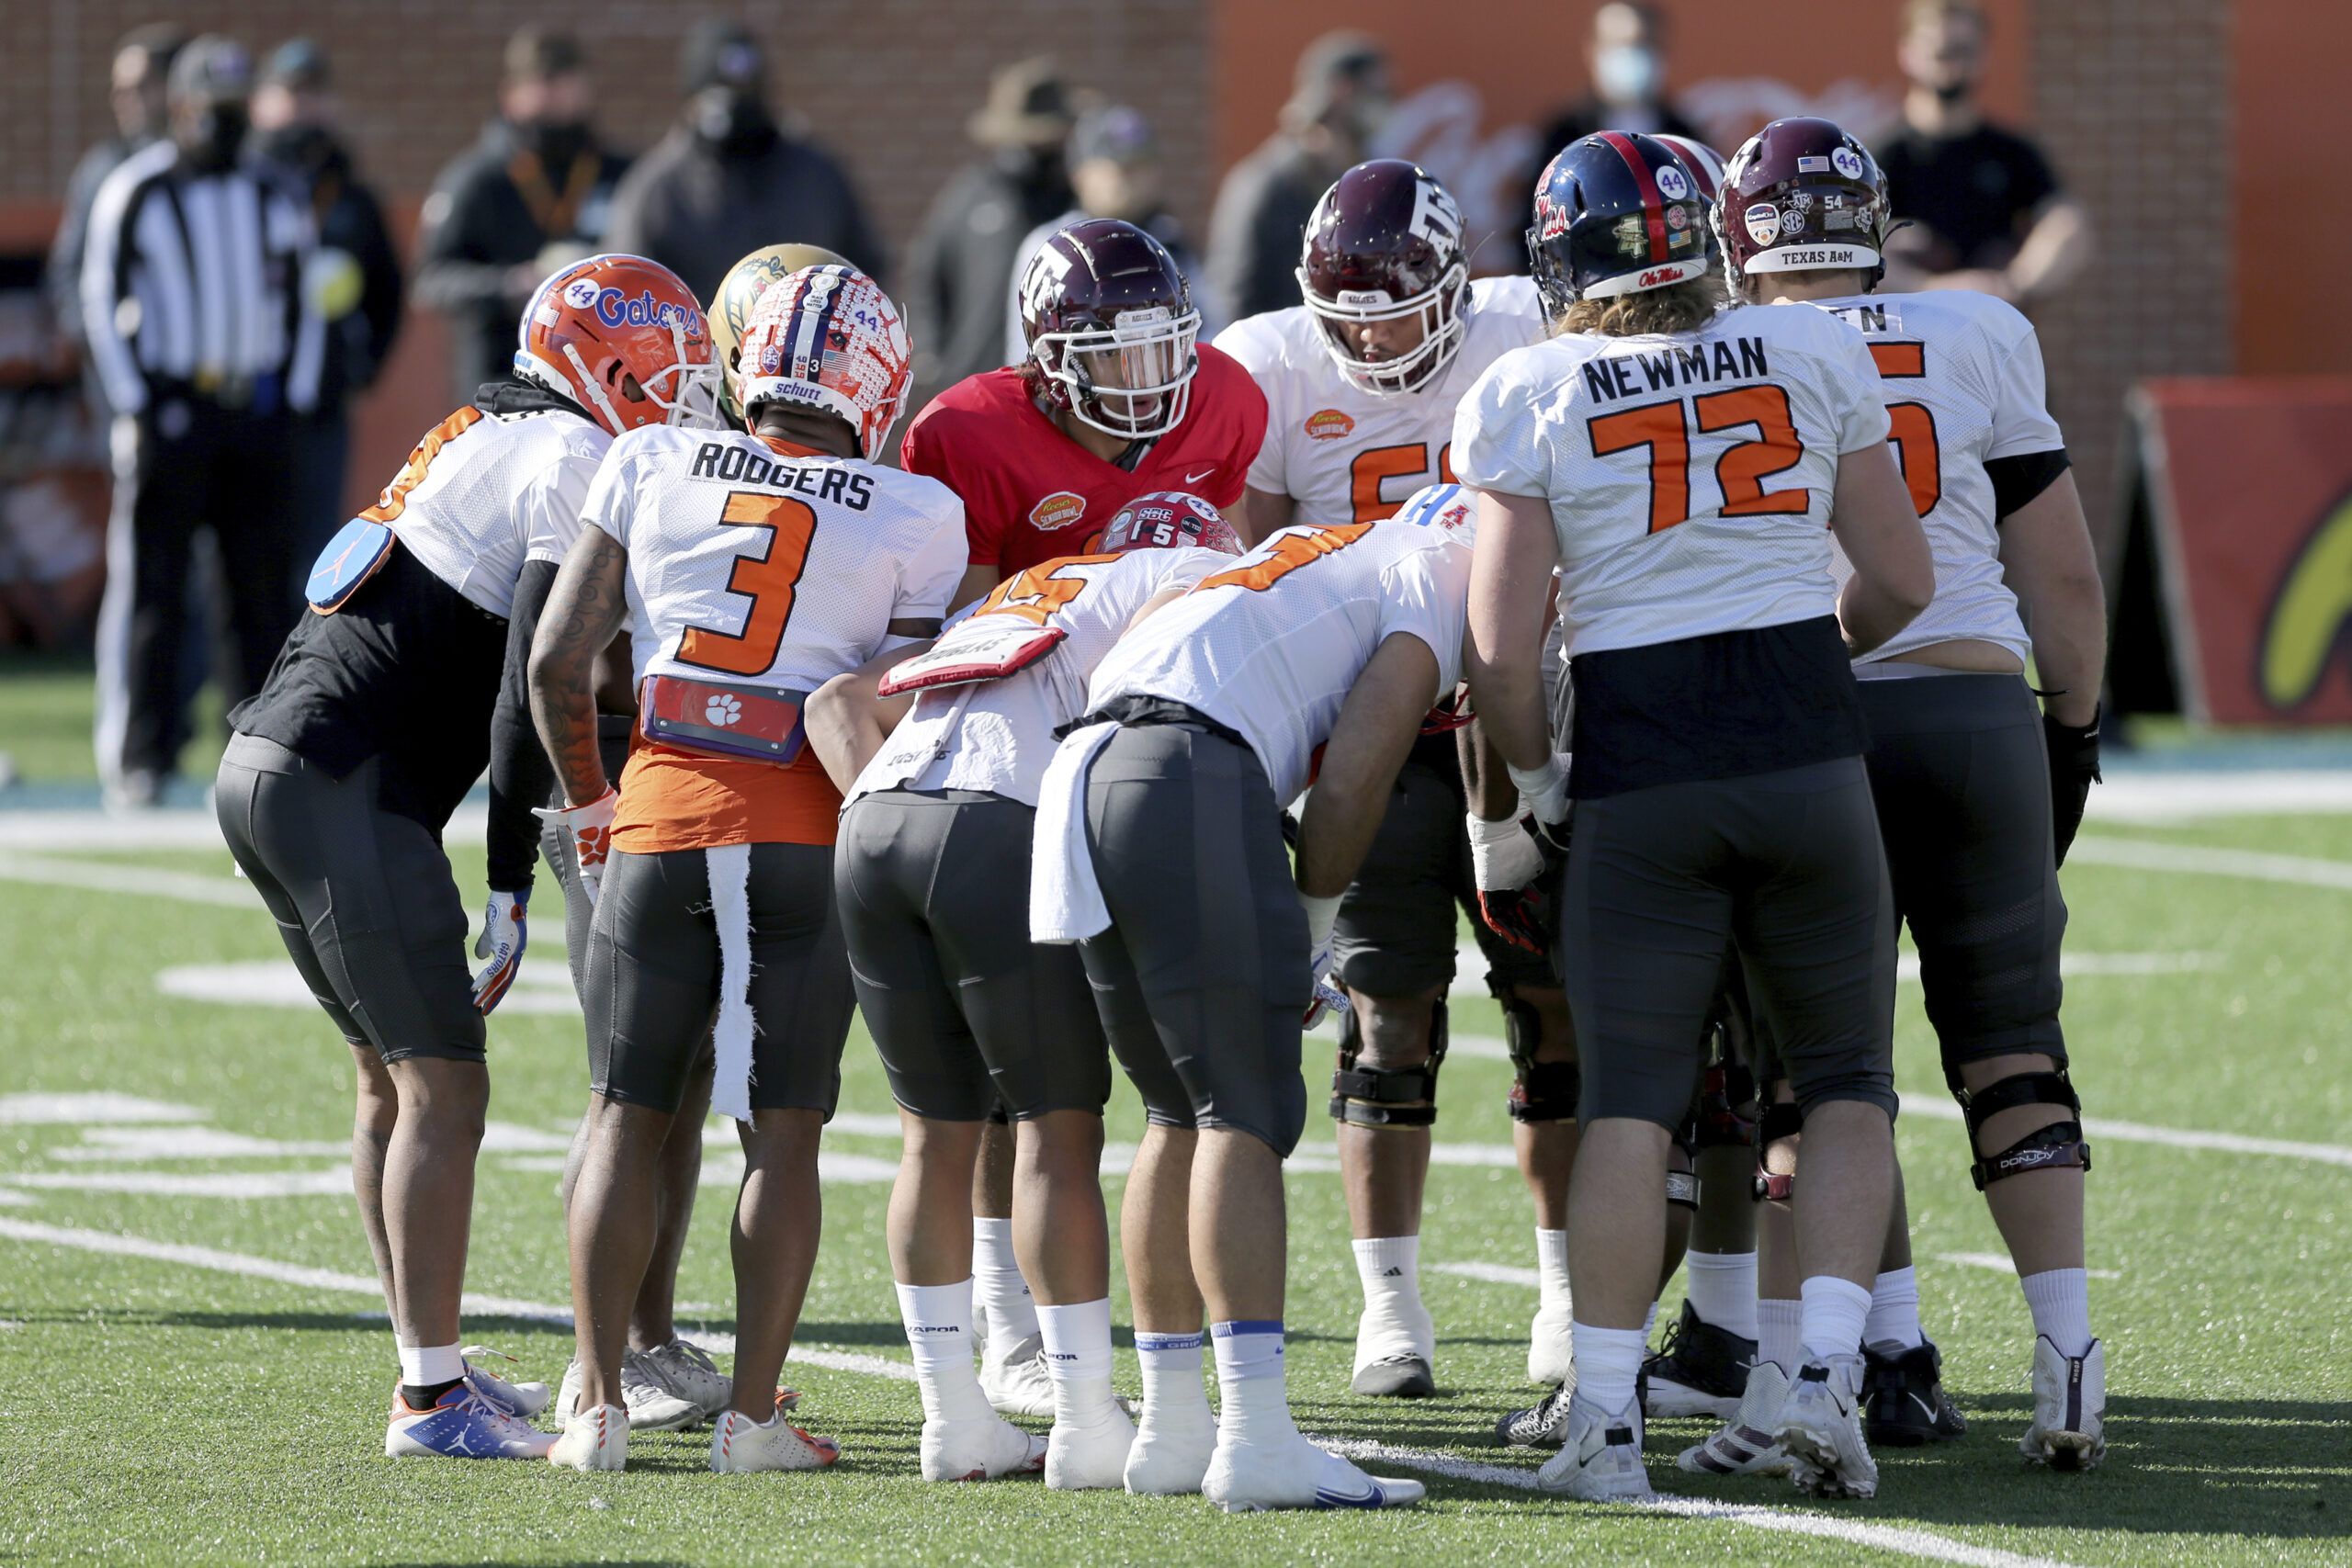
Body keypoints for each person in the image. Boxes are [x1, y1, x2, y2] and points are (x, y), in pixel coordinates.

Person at [1455, 130, 1933, 1501]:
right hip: (1807, 759)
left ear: (1563, 259)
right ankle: (1828, 1382)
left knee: (1631, 1107)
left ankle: (1604, 1420)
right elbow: (1898, 579)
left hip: (1644, 773)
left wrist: (1541, 780)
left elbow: (1498, 649)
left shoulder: (1532, 386)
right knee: (1844, 1079)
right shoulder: (1807, 349)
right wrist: (1797, 658)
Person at [211, 250, 717, 1462]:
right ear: (608, 364)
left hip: (265, 763)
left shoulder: (485, 421)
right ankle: (432, 1400)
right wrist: (505, 881)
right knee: (446, 1085)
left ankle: (426, 1364)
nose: (688, 394)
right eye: (671, 370)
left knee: (389, 1083)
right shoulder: (572, 453)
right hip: (344, 783)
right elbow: (523, 687)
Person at [1676, 116, 2107, 1476]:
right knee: (2013, 1050)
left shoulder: (1731, 351)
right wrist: (2073, 726)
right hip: (1980, 708)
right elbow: (2070, 581)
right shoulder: (1978, 329)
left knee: (1822, 1074)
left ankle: (1824, 1373)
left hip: (1817, 719)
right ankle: (2070, 1363)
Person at [528, 265, 965, 1474]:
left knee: (626, 1111)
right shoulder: (918, 513)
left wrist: (595, 804)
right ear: (875, 385)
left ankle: (600, 1404)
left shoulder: (652, 460)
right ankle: (753, 1415)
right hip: (804, 836)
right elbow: (900, 712)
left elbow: (561, 663)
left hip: (662, 817)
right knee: (783, 1133)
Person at [1030, 491, 1487, 1512]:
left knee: (1172, 1107)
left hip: (1088, 762)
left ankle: (1174, 1426)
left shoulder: (1320, 550)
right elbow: (1357, 771)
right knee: (1242, 1104)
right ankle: (1256, 1436)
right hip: (1186, 763)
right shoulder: (1443, 567)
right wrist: (1317, 921)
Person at [1210, 159, 1560, 1399]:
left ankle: (1565, 1297)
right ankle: (1390, 1305)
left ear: (1458, 287)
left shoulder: (1530, 321)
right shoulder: (1273, 360)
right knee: (1384, 1016)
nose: (1367, 337)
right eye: (1343, 313)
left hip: (1523, 715)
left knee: (1552, 1011)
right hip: (1370, 734)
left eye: (1396, 310)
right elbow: (1243, 557)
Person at [904, 220, 1267, 1409]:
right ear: (1050, 356)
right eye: (1116, 356)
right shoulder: (968, 434)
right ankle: (1014, 1318)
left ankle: (1137, 1325)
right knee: (1028, 1070)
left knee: (1162, 1063)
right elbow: (957, 634)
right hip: (1015, 760)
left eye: (1166, 347)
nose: (1151, 379)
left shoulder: (1226, 402)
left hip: (1150, 754)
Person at [815, 491, 1243, 1489]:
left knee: (935, 1133)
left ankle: (952, 1418)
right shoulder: (1179, 582)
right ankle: (1089, 1418)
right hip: (997, 821)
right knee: (1057, 1129)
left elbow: (838, 703)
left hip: (875, 817)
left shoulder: (1022, 592)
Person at [82, 36, 325, 808]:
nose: (218, 127)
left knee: (257, 592)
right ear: (177, 109)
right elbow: (98, 294)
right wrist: (138, 402)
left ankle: (258, 751)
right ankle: (141, 754)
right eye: (206, 111)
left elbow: (303, 299)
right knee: (154, 590)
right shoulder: (138, 188)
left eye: (231, 112)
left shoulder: (274, 192)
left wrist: (290, 397)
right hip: (172, 409)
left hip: (252, 411)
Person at [249, 38, 407, 604]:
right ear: (260, 104)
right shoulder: (242, 189)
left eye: (314, 94)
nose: (304, 108)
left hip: (322, 402)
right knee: (244, 548)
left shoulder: (351, 195)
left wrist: (361, 366)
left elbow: (389, 290)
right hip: (249, 400)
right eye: (291, 94)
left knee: (315, 544)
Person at [415, 29, 630, 405]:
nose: (554, 94)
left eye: (564, 80)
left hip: (604, 387)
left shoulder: (619, 173)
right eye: (541, 82)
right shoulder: (478, 179)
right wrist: (509, 285)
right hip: (501, 383)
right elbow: (430, 279)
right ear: (510, 93)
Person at [605, 20, 884, 306]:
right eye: (716, 99)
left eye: (744, 95)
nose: (732, 111)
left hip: (806, 347)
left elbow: (867, 272)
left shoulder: (817, 175)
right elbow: (628, 288)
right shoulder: (657, 188)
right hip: (696, 347)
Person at [1873, 0, 2091, 307]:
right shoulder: (1877, 158)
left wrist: (2013, 283)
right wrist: (1934, 288)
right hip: (1905, 338)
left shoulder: (2012, 153)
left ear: (1984, 55)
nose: (1952, 64)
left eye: (1964, 50)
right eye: (1941, 52)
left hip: (1995, 335)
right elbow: (1849, 255)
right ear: (1907, 53)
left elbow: (2066, 225)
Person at [903, 57, 1077, 404]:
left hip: (1061, 382)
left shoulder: (1074, 200)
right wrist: (930, 352)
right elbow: (926, 271)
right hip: (976, 375)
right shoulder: (971, 195)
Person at [1003, 105, 1222, 367]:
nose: (1133, 179)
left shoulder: (1170, 240)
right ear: (1081, 174)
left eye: (1141, 165)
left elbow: (1210, 331)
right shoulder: (1052, 246)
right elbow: (1027, 348)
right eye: (1119, 167)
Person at [1206, 31, 1391, 323]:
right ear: (1342, 91)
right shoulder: (1263, 184)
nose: (1387, 105)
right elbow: (1233, 299)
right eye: (1378, 92)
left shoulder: (1367, 181)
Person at [48, 23, 186, 384]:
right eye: (118, 88)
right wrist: (98, 343)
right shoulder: (104, 169)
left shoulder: (213, 170)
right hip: (125, 371)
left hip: (199, 374)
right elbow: (68, 269)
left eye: (139, 87)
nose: (121, 98)